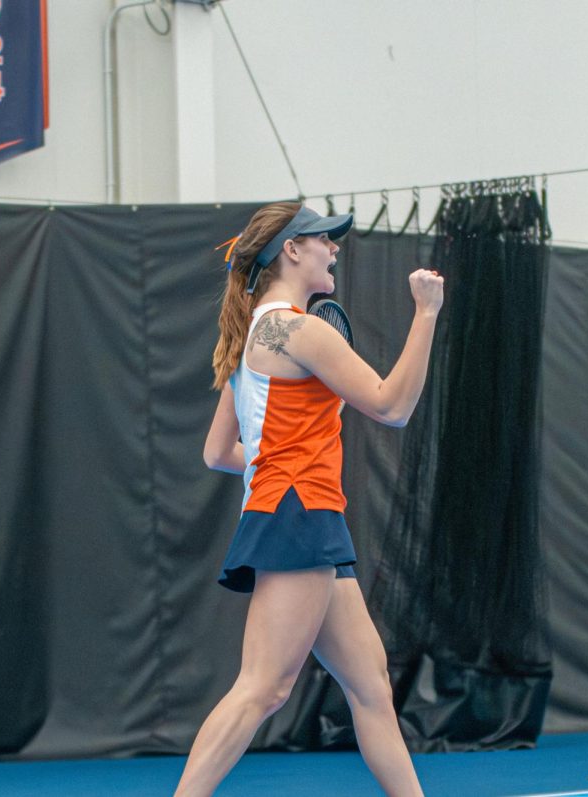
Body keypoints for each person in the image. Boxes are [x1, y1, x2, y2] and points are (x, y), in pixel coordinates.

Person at [173, 201, 442, 797]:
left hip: (296, 509)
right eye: (324, 239)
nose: (335, 248)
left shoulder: (255, 336)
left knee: (370, 684)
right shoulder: (296, 328)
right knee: (263, 688)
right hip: (300, 511)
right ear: (292, 251)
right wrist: (425, 312)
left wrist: (288, 450)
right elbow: (393, 406)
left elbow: (220, 452)